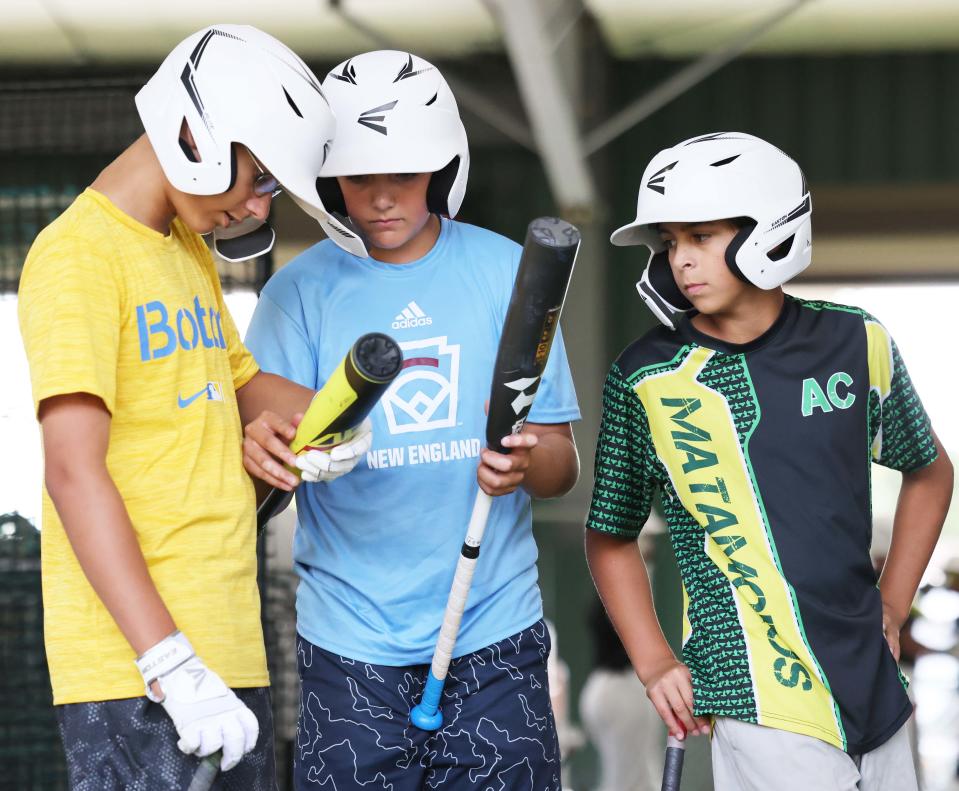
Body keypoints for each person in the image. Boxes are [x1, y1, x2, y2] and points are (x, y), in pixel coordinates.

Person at [17, 25, 370, 790]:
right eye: (259, 179)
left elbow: (239, 387)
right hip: (139, 669)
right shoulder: (75, 256)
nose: (253, 205)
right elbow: (72, 473)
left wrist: (341, 415)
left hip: (225, 645)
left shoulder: (183, 250)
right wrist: (168, 662)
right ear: (193, 132)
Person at [241, 49, 580, 790]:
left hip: (494, 634)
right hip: (347, 644)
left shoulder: (505, 274)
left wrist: (524, 463)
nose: (381, 198)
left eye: (404, 175)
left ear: (443, 168)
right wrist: (293, 450)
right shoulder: (296, 296)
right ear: (330, 180)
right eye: (359, 177)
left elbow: (560, 463)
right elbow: (261, 448)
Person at [584, 131, 954, 791]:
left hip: (875, 685)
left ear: (771, 228)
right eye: (671, 242)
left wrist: (892, 604)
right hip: (754, 688)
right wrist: (654, 662)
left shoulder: (855, 339)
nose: (681, 261)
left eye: (700, 236)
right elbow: (609, 535)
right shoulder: (643, 375)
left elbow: (928, 470)